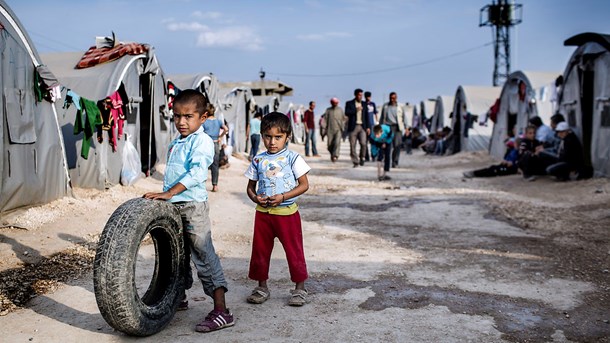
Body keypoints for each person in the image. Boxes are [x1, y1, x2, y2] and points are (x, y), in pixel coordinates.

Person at [143, 89, 233, 333]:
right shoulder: (178, 141)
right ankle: (176, 297)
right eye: (177, 117)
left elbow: (196, 174)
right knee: (177, 255)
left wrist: (170, 192)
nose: (181, 122)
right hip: (174, 206)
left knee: (203, 254)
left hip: (192, 206)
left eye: (188, 117)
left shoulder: (201, 141)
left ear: (203, 118)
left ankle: (222, 311)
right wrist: (168, 197)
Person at [244, 112, 311, 306]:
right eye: (267, 136)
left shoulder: (293, 158)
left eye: (278, 137)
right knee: (260, 251)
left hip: (287, 213)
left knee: (294, 250)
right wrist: (255, 197)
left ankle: (299, 288)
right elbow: (250, 187)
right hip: (263, 214)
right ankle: (261, 286)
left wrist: (283, 197)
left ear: (287, 136)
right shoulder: (258, 160)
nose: (272, 142)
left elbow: (304, 185)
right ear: (262, 135)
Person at [203, 107, 229, 192]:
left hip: (206, 144)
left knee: (203, 164)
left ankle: (202, 184)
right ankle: (215, 185)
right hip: (215, 143)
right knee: (215, 164)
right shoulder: (218, 121)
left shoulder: (204, 122)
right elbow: (226, 129)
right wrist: (220, 137)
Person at [345, 89, 370, 167]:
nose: (360, 96)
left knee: (363, 143)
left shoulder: (364, 104)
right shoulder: (349, 103)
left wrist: (368, 127)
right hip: (353, 126)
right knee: (352, 145)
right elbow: (347, 112)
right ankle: (355, 162)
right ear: (355, 95)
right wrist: (356, 110)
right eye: (359, 95)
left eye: (361, 95)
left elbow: (367, 116)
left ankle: (362, 157)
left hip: (362, 126)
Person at [379, 92, 405, 168]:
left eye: (394, 98)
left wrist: (407, 128)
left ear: (396, 98)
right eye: (391, 98)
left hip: (397, 127)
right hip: (387, 127)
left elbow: (404, 117)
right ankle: (387, 162)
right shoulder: (386, 106)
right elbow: (381, 118)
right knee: (387, 146)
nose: (392, 99)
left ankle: (395, 162)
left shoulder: (400, 106)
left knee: (397, 146)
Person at [322, 97, 345, 162]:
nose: (335, 104)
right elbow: (325, 119)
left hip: (338, 129)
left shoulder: (340, 110)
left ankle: (335, 155)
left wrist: (343, 126)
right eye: (333, 103)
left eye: (336, 103)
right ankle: (332, 153)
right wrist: (324, 128)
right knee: (330, 144)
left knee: (337, 143)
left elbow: (343, 119)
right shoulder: (328, 110)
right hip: (330, 130)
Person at [364, 91, 378, 161]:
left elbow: (375, 113)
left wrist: (377, 122)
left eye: (369, 96)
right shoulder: (363, 104)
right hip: (365, 125)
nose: (368, 98)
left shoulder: (373, 104)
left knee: (373, 141)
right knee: (365, 142)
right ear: (365, 97)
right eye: (367, 97)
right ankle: (366, 157)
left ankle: (373, 155)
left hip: (372, 125)